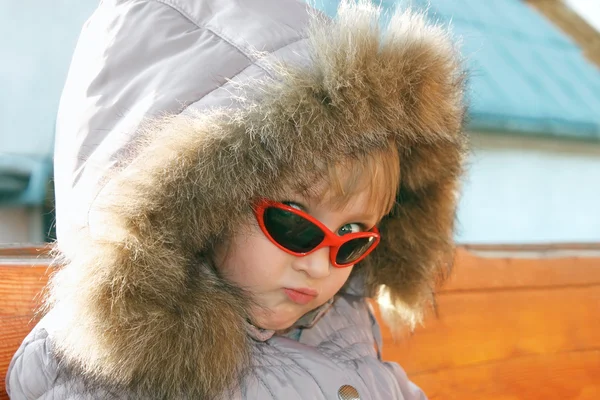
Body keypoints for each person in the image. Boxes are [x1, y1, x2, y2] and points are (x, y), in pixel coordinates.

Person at [6, 0, 467, 398]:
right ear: (194, 210)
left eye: (352, 239)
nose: (321, 265)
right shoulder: (116, 372)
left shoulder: (342, 322)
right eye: (294, 225)